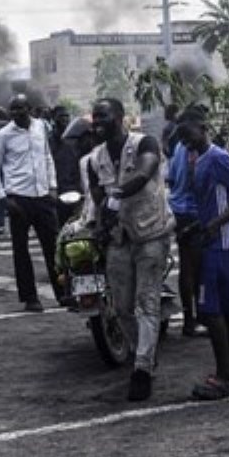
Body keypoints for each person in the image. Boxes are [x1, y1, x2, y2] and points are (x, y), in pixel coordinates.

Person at [87, 97, 173, 402]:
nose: (98, 122)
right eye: (95, 117)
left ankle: (141, 369)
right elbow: (98, 198)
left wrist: (117, 193)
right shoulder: (94, 159)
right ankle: (143, 353)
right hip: (119, 238)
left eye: (105, 116)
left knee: (146, 302)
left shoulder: (144, 143)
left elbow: (145, 172)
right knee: (121, 308)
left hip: (151, 233)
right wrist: (97, 225)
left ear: (121, 117)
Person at [180, 112, 229, 400]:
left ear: (203, 128)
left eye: (189, 134)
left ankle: (225, 377)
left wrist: (214, 225)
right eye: (182, 138)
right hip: (219, 242)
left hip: (222, 245)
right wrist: (197, 227)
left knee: (210, 311)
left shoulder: (217, 157)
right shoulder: (198, 160)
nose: (185, 141)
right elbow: (214, 202)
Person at [0, 93, 65, 312]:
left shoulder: (41, 127)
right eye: (12, 109)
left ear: (29, 109)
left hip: (42, 196)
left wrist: (52, 186)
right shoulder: (4, 134)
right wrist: (3, 198)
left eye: (20, 108)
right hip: (18, 198)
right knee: (21, 251)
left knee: (53, 248)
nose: (16, 113)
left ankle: (63, 294)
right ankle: (30, 298)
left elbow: (47, 157)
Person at [166, 111, 202, 337]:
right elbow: (194, 177)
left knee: (187, 268)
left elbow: (171, 177)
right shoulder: (190, 149)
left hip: (179, 208)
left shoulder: (178, 146)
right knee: (194, 270)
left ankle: (192, 318)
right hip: (192, 211)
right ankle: (193, 320)